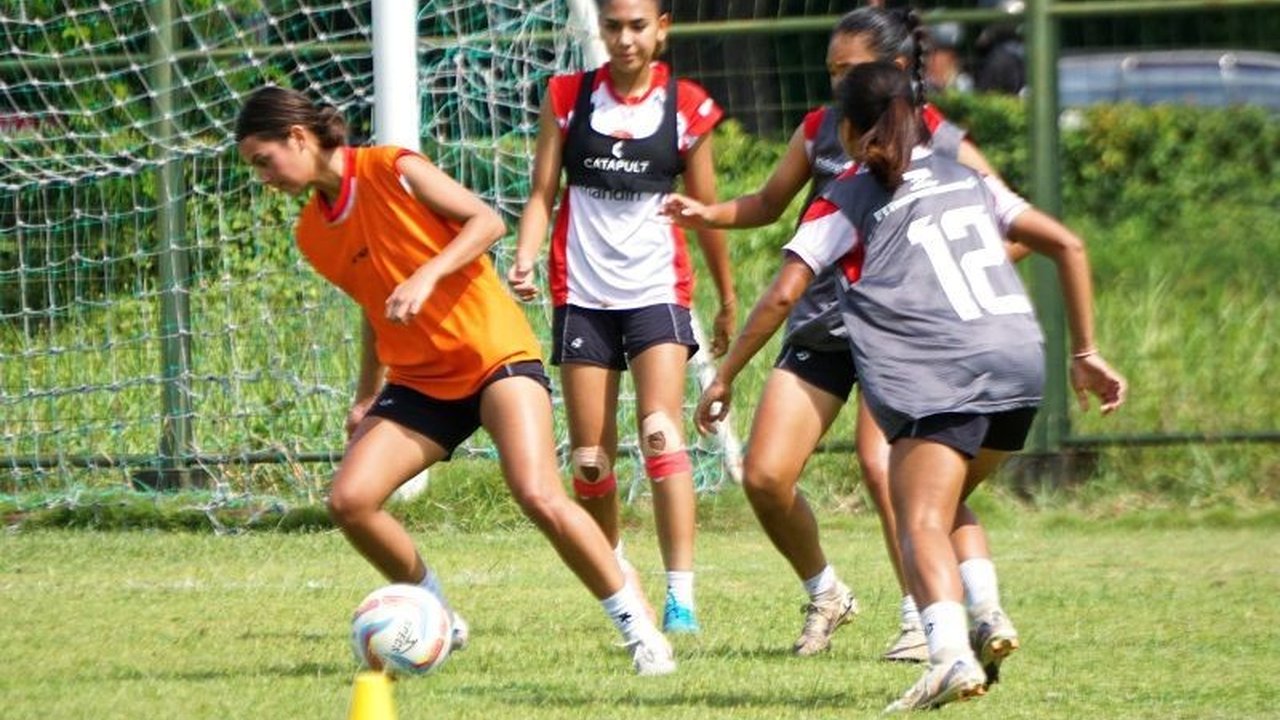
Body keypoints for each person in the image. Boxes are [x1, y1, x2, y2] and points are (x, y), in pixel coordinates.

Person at [700, 61, 1125, 711]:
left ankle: (950, 655)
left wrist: (725, 373)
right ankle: (987, 613)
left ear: (847, 129)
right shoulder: (966, 176)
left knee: (917, 512)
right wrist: (1087, 352)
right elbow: (1065, 243)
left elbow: (786, 292)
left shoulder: (850, 193)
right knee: (946, 500)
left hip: (943, 368)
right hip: (1021, 366)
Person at [234, 86, 676, 676]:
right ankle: (437, 614)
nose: (263, 176)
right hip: (420, 380)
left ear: (297, 137)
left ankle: (638, 628)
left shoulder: (393, 168)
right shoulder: (313, 234)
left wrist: (427, 274)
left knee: (538, 493)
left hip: (494, 356)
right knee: (350, 500)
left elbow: (486, 222)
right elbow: (375, 307)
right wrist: (368, 395)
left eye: (264, 160)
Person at [663, 6, 1020, 663]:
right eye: (833, 71)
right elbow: (769, 204)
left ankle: (922, 618)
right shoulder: (823, 128)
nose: (838, 83)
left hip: (897, 336)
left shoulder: (939, 136)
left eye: (851, 70)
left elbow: (1011, 230)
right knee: (767, 476)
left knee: (884, 469)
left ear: (898, 71)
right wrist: (706, 211)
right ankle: (827, 591)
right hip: (823, 326)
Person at [508, 0, 736, 634]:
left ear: (662, 27)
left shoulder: (686, 106)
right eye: (613, 26)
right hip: (583, 295)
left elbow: (708, 211)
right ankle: (618, 581)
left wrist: (727, 296)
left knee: (661, 431)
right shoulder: (566, 97)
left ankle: (681, 596)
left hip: (658, 291)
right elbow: (541, 195)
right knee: (589, 460)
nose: (625, 39)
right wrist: (525, 257)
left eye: (638, 26)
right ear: (599, 29)